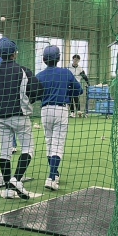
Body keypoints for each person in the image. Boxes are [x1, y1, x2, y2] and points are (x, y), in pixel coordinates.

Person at [0, 38, 43, 199]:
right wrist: (28, 102)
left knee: (5, 152)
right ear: (14, 54)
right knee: (28, 149)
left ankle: (9, 189)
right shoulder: (23, 71)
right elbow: (37, 91)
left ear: (0, 54)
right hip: (20, 116)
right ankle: (16, 180)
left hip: (0, 118)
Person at [35, 46, 83, 190]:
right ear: (58, 58)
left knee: (49, 143)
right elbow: (79, 90)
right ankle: (51, 178)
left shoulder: (39, 75)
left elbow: (35, 95)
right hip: (61, 110)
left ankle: (54, 174)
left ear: (44, 59)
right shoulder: (65, 72)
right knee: (58, 145)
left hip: (45, 111)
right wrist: (66, 91)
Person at [0, 54, 18, 154]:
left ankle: (9, 147)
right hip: (12, 96)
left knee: (4, 124)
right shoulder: (13, 62)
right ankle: (13, 145)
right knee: (13, 121)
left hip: (0, 98)